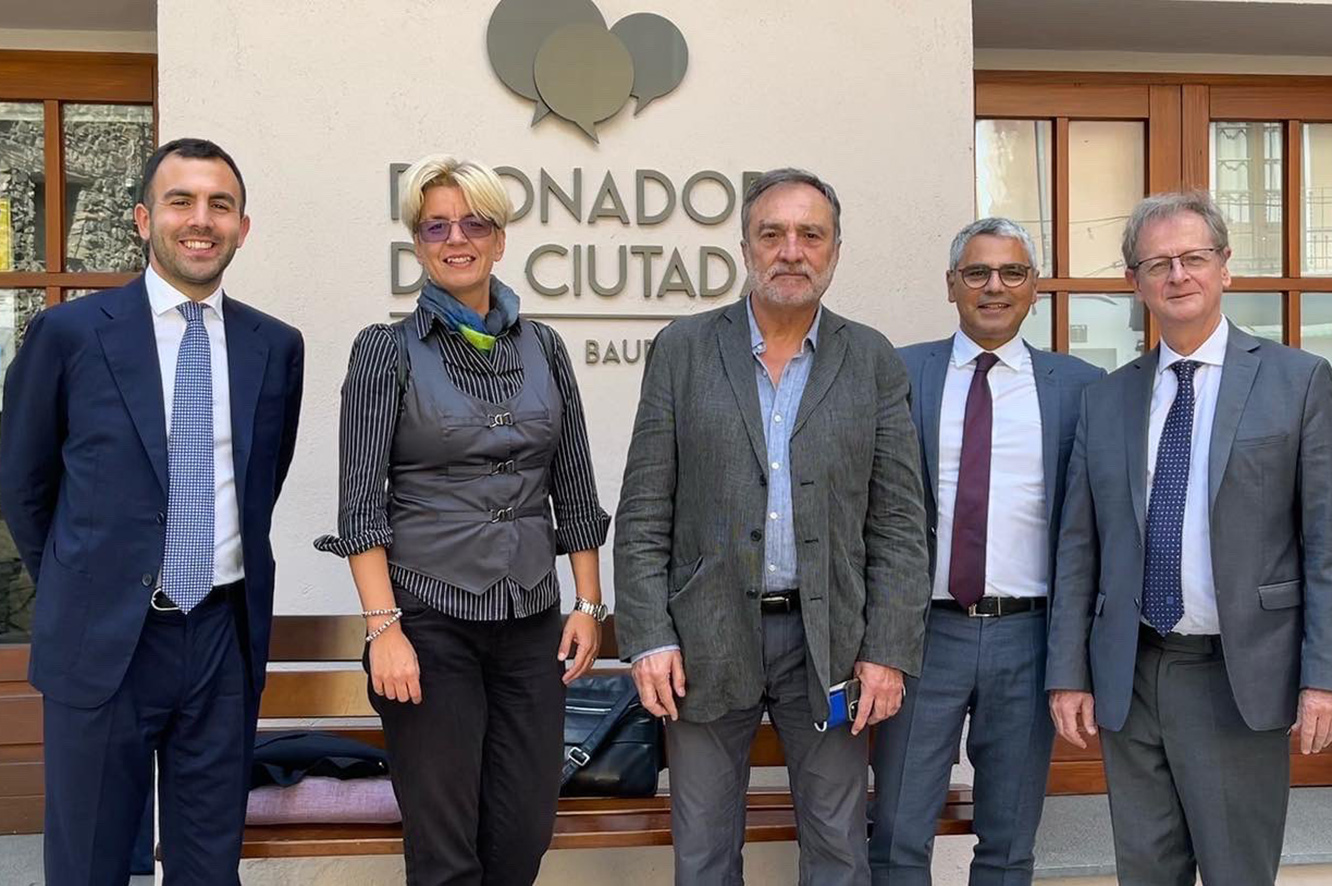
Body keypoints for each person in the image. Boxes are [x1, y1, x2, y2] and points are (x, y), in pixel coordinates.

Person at [614, 167, 931, 886]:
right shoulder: (684, 349)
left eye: (810, 235)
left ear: (835, 251)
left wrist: (887, 649)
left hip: (831, 643)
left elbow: (899, 524)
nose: (792, 251)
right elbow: (643, 510)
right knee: (703, 854)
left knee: (839, 850)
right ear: (745, 248)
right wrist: (649, 637)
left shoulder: (872, 359)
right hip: (703, 638)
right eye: (773, 234)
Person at [0, 137, 304, 884]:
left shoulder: (274, 346)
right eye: (180, 201)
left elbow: (261, 482)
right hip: (103, 640)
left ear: (242, 228)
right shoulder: (70, 334)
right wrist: (80, 580)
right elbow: (24, 484)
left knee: (209, 866)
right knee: (89, 863)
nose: (201, 220)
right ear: (143, 219)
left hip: (222, 641)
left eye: (220, 205)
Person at [314, 154, 610, 885]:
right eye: (436, 226)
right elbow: (360, 504)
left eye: (474, 224)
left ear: (499, 239)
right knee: (446, 852)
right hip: (427, 621)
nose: (456, 239)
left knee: (522, 835)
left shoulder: (546, 348)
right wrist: (383, 630)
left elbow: (573, 483)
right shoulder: (386, 351)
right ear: (417, 244)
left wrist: (588, 602)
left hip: (531, 622)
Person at [1046, 191, 1332, 886]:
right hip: (1131, 674)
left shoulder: (1298, 382)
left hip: (1239, 675)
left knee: (1237, 872)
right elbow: (1080, 548)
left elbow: (1325, 544)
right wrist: (1068, 673)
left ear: (1224, 266)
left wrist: (1322, 677)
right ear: (1134, 282)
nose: (1177, 275)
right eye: (1158, 263)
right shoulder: (1105, 399)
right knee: (1145, 872)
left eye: (1193, 258)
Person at [869, 218, 1103, 885]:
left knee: (1009, 842)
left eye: (1011, 273)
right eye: (977, 273)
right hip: (922, 636)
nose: (994, 286)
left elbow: (1091, 529)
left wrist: (1074, 658)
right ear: (951, 285)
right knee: (896, 835)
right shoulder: (900, 372)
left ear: (1034, 288)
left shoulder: (1080, 386)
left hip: (1029, 638)